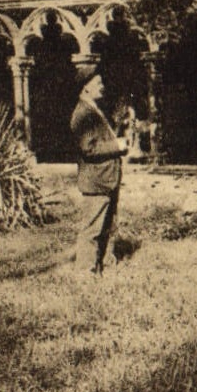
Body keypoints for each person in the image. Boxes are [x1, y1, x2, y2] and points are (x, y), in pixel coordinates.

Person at [70, 70, 127, 274]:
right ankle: (85, 273)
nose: (102, 86)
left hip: (105, 180)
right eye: (98, 82)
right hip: (97, 181)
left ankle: (101, 267)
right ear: (86, 86)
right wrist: (117, 145)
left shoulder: (92, 109)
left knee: (105, 228)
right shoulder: (82, 113)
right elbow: (89, 148)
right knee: (92, 229)